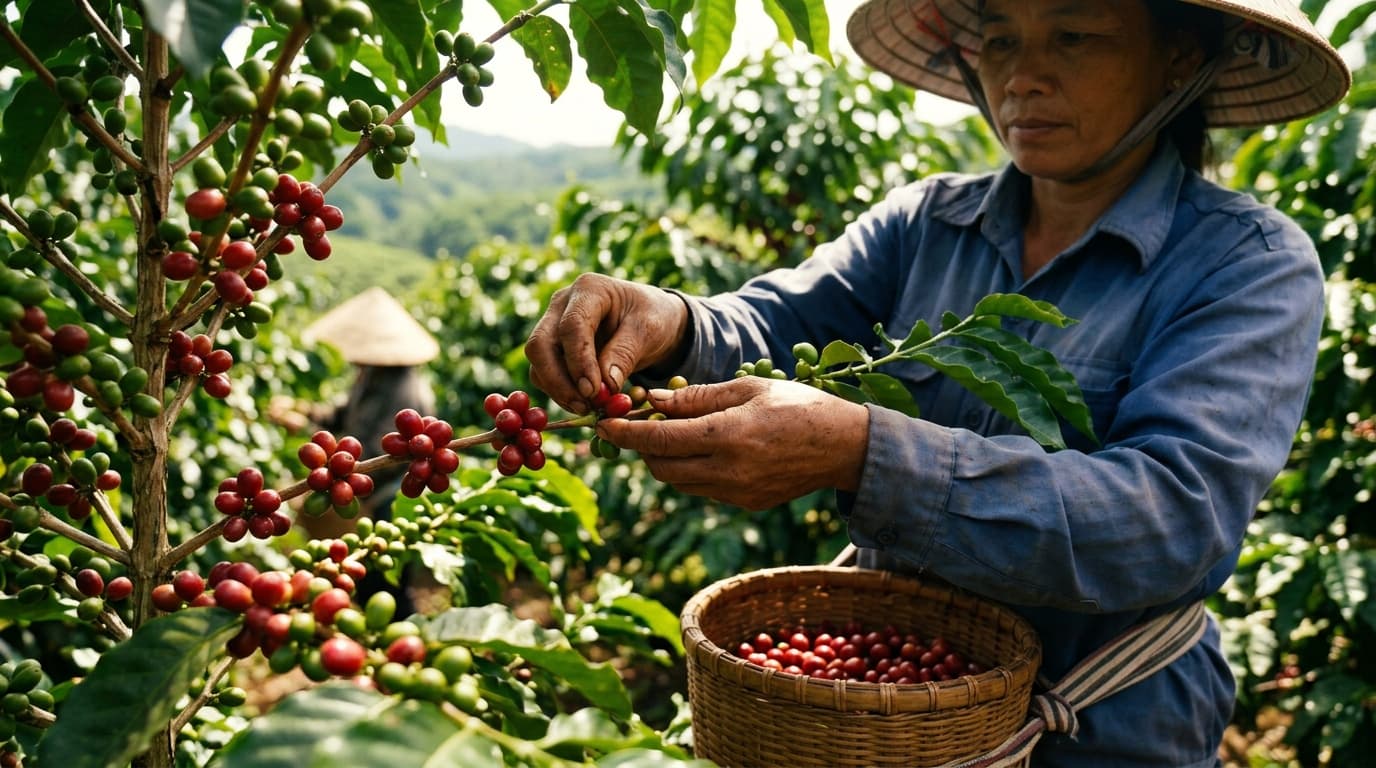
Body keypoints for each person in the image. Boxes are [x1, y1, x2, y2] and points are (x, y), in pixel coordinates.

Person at [523, 0, 1350, 765]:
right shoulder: (927, 224)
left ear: (1177, 58)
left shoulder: (1248, 265)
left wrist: (863, 451)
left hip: (1107, 731)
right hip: (889, 718)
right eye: (999, 40)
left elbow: (1173, 517)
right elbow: (779, 324)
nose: (1024, 75)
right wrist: (671, 321)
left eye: (1075, 36)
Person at [283, 286, 440, 612]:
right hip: (367, 491)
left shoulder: (403, 392)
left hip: (389, 499)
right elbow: (343, 413)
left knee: (387, 584)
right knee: (369, 581)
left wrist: (333, 480)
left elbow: (383, 457)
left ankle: (406, 643)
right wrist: (306, 413)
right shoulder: (372, 375)